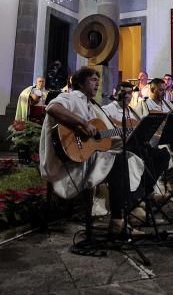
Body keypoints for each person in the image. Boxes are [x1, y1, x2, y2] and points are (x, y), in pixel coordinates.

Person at [39, 67, 145, 235]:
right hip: (70, 162)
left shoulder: (90, 105)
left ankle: (127, 212)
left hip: (85, 156)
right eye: (93, 80)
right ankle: (119, 220)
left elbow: (98, 136)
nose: (97, 84)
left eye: (98, 80)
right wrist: (82, 123)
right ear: (80, 83)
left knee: (127, 157)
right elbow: (52, 108)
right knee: (119, 162)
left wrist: (121, 134)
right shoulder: (73, 97)